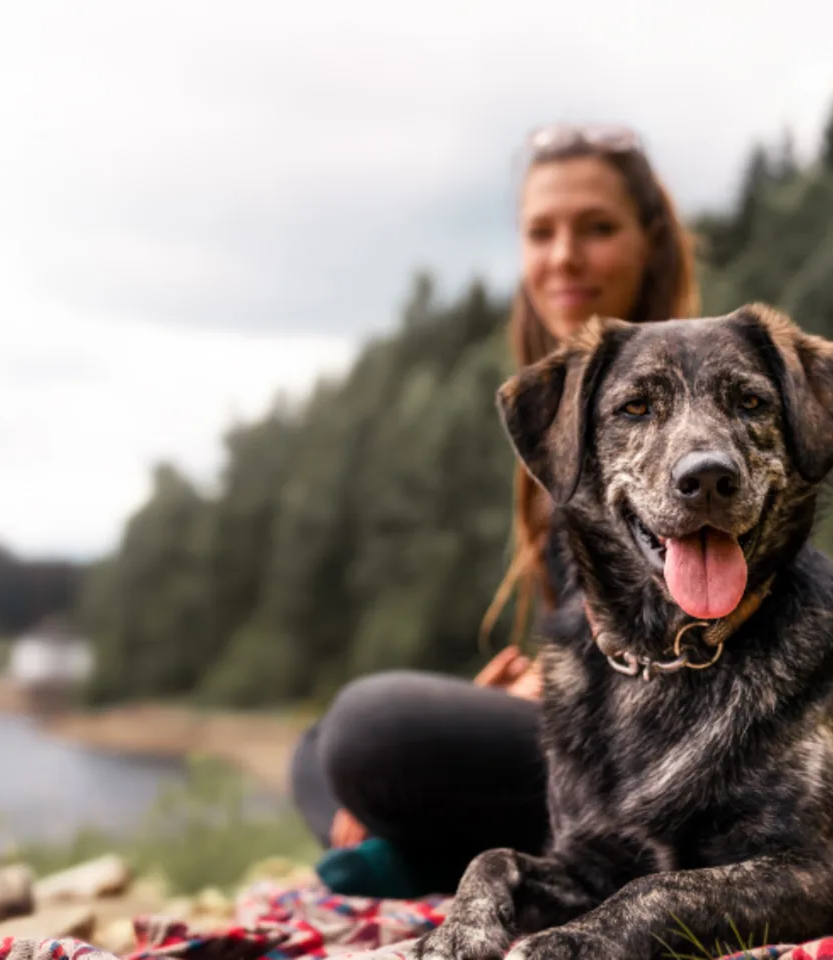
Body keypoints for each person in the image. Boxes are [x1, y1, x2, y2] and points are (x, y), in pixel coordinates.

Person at [287, 122, 702, 898]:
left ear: (651, 242)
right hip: (588, 729)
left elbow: (708, 632)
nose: (563, 256)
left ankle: (416, 863)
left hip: (670, 741)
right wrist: (525, 687)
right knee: (315, 749)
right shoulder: (562, 413)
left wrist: (551, 684)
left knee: (369, 732)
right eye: (540, 233)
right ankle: (435, 857)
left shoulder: (684, 402)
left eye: (597, 228)